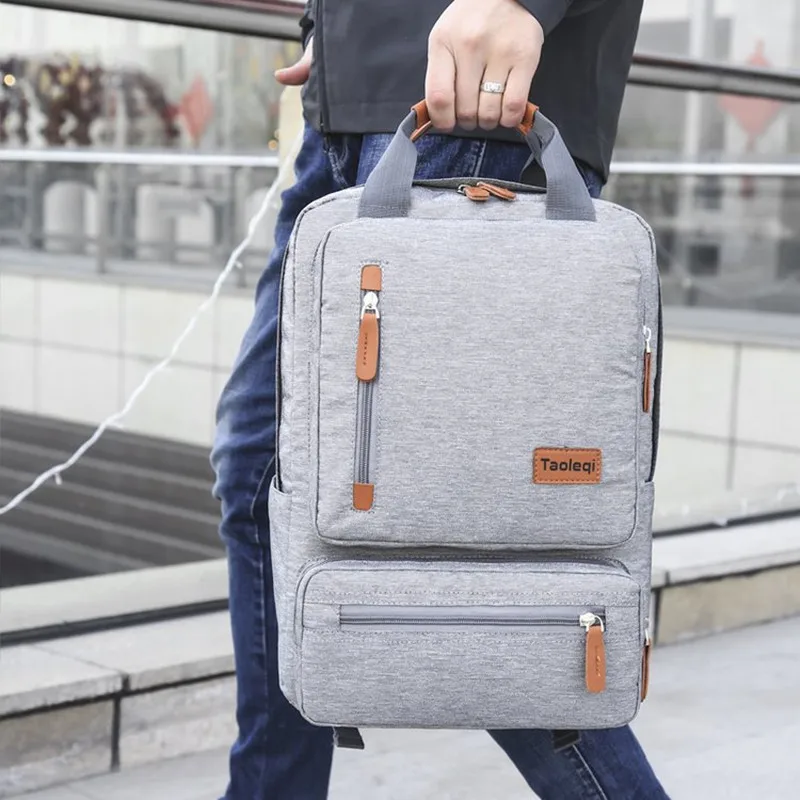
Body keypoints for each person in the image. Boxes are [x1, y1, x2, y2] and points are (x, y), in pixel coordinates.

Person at [211, 0, 670, 798]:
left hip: (476, 93)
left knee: (464, 541)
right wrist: (336, 34)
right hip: (350, 114)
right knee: (258, 471)